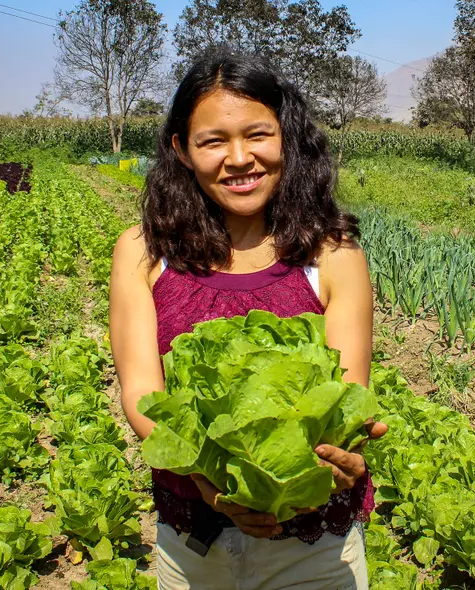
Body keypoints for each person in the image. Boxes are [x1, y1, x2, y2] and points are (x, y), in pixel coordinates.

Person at [108, 47, 386, 590]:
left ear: (287, 137)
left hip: (315, 554)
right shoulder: (142, 253)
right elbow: (142, 395)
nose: (239, 158)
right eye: (213, 140)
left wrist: (340, 457)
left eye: (258, 134)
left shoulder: (334, 255)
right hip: (194, 548)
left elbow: (347, 394)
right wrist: (212, 478)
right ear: (182, 150)